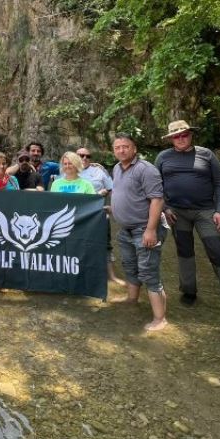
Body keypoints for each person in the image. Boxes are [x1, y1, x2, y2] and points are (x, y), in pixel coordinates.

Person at [155, 120, 220, 312]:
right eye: (176, 136)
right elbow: (156, 186)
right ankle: (188, 291)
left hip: (206, 211)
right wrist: (165, 208)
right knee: (185, 251)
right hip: (177, 213)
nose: (181, 139)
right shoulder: (163, 157)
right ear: (170, 139)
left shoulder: (206, 154)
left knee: (218, 251)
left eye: (184, 134)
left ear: (191, 135)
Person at [110, 133, 168, 331]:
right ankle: (132, 299)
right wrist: (113, 208)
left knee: (149, 273)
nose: (121, 150)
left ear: (134, 149)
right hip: (125, 230)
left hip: (144, 228)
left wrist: (151, 230)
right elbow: (125, 195)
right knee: (130, 267)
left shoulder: (146, 169)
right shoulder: (116, 168)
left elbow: (157, 200)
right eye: (117, 147)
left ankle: (160, 319)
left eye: (125, 146)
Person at [75, 148, 124, 286]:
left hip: (98, 214)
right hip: (75, 216)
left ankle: (111, 276)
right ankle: (79, 273)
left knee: (105, 243)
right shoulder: (68, 170)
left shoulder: (99, 171)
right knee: (77, 243)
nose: (84, 158)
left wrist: (111, 204)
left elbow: (113, 189)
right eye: (81, 155)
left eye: (88, 156)